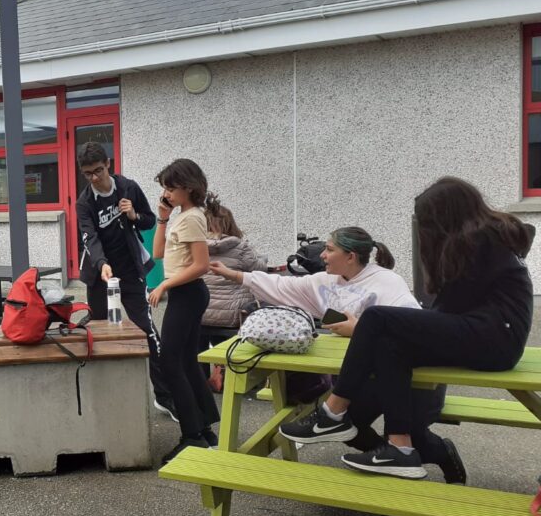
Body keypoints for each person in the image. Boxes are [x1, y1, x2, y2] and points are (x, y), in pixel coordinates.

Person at [275, 178, 533, 480]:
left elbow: (449, 307)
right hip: (490, 335)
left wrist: (406, 327)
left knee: (376, 319)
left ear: (445, 216)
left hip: (495, 338)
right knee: (389, 344)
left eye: (428, 223)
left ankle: (332, 413)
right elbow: (450, 308)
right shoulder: (485, 237)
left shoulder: (482, 240)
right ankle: (400, 448)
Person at [210, 225, 465, 483]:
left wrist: (359, 328)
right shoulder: (325, 282)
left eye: (329, 250)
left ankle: (443, 454)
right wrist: (233, 275)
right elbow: (282, 285)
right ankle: (392, 468)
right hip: (372, 379)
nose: (322, 255)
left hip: (417, 384)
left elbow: (417, 331)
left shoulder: (388, 283)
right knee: (347, 425)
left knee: (411, 435)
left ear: (350, 256)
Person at [75, 142, 175, 418]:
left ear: (108, 163)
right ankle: (103, 393)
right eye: (88, 174)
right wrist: (101, 263)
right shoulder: (84, 203)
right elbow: (89, 238)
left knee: (147, 330)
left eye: (98, 171)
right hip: (100, 275)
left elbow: (148, 220)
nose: (94, 178)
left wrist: (133, 214)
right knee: (98, 332)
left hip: (130, 270)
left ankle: (164, 396)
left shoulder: (128, 187)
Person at [148, 158, 220, 463]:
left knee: (170, 362)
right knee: (186, 361)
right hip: (184, 293)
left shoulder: (192, 217)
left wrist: (164, 286)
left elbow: (201, 265)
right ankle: (204, 430)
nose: (166, 192)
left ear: (187, 188)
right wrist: (163, 218)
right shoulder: (181, 216)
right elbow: (158, 253)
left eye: (170, 187)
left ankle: (192, 436)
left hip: (187, 294)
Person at [200, 205, 260, 385]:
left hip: (201, 313)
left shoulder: (194, 246)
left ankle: (200, 378)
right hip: (232, 316)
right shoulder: (241, 247)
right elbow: (258, 271)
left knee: (199, 338)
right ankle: (225, 368)